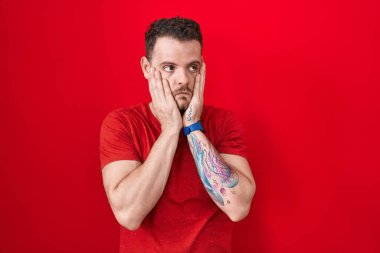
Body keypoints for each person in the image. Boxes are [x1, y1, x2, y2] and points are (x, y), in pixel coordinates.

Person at [99, 16, 256, 253]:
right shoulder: (122, 123)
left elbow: (238, 207)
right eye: (169, 68)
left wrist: (192, 127)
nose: (183, 79)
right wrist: (171, 129)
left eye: (192, 67)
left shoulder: (223, 123)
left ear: (202, 69)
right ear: (146, 68)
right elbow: (129, 214)